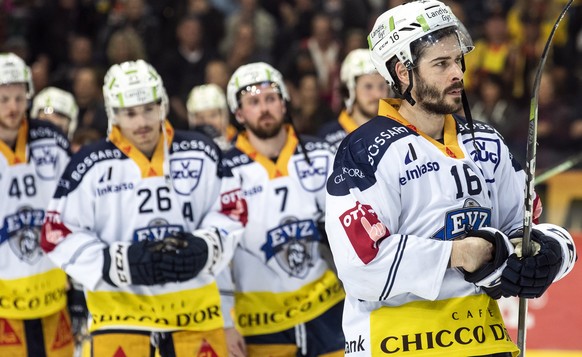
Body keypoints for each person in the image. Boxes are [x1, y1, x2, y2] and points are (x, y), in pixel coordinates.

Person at [324, 1, 577, 356]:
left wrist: (551, 252)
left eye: (458, 60)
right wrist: (458, 252)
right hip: (399, 345)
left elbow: (524, 229)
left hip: (485, 343)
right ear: (403, 72)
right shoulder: (365, 151)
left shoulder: (487, 141)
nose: (457, 73)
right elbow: (360, 266)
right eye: (441, 64)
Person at [40, 59, 240, 356]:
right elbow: (55, 232)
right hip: (119, 320)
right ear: (113, 114)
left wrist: (209, 245)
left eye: (148, 109)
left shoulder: (200, 150)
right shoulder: (89, 163)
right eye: (130, 113)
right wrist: (112, 262)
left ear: (162, 106)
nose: (142, 122)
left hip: (196, 317)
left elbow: (232, 208)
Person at [221, 62, 345, 356]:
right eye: (253, 102)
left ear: (284, 103)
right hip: (261, 322)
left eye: (270, 99)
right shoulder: (223, 171)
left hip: (327, 308)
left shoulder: (320, 153)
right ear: (239, 114)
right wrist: (227, 322)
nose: (264, 108)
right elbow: (220, 252)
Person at [0, 52, 74, 356]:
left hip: (54, 289)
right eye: (3, 99)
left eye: (19, 98)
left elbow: (74, 206)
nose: (13, 107)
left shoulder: (53, 140)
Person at [318, 48, 389, 151]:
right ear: (350, 90)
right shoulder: (326, 137)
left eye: (382, 86)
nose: (377, 95)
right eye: (368, 86)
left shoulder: (399, 129)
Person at [186, 83, 237, 151]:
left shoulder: (240, 142)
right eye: (200, 117)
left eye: (213, 115)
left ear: (224, 116)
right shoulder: (186, 148)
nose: (207, 121)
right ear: (192, 120)